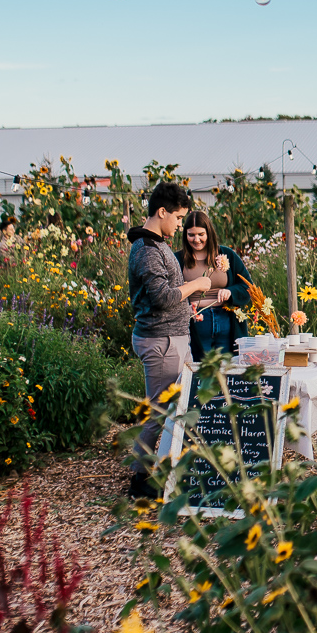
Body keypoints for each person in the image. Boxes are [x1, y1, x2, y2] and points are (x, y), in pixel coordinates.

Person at [127, 182, 215, 497]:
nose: (180, 224)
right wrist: (197, 284)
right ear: (162, 212)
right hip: (161, 342)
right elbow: (163, 297)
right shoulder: (147, 250)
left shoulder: (156, 244)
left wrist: (186, 306)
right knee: (161, 411)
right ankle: (141, 481)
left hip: (172, 337)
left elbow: (164, 297)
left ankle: (171, 471)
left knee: (179, 406)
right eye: (178, 218)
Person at [175, 210, 255, 361]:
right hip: (195, 322)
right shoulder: (178, 260)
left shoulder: (227, 254)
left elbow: (248, 287)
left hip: (226, 319)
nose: (196, 239)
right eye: (191, 235)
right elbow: (170, 293)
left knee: (228, 369)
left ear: (209, 233)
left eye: (201, 234)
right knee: (201, 370)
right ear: (185, 235)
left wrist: (231, 292)